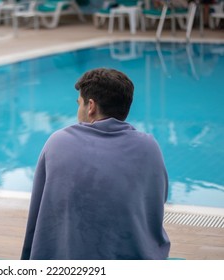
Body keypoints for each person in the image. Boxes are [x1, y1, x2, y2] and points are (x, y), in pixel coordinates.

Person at [21, 68, 171, 260]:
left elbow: (38, 211)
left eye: (79, 104)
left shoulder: (59, 142)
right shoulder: (149, 147)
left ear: (90, 106)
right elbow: (156, 203)